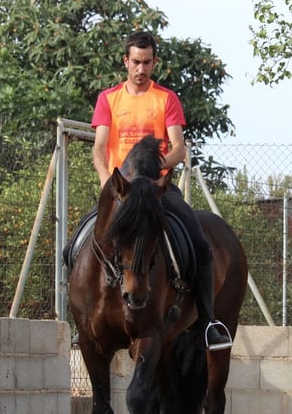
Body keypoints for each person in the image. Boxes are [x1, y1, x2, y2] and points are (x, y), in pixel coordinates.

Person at [89, 30, 232, 350]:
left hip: (156, 190)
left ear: (155, 63)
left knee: (199, 241)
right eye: (136, 62)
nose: (141, 69)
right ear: (126, 61)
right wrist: (106, 182)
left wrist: (155, 171)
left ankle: (209, 323)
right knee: (78, 245)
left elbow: (179, 148)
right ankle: (85, 317)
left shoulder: (166, 98)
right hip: (120, 192)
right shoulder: (108, 99)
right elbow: (99, 148)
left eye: (148, 62)